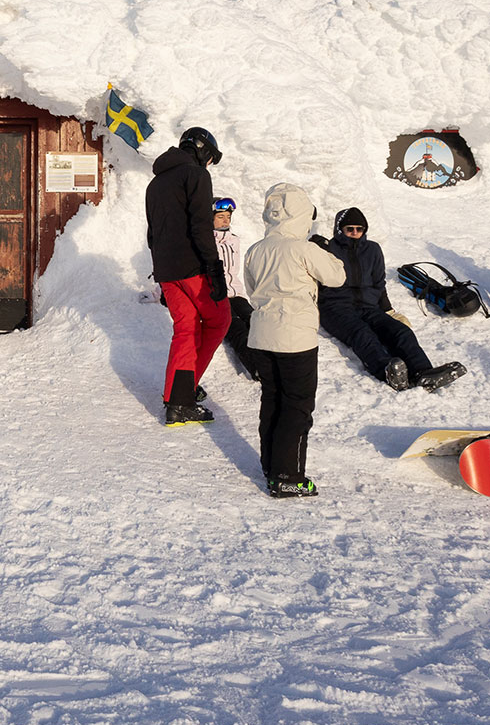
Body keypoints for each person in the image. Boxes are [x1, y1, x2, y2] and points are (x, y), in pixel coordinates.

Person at [244, 184, 348, 497]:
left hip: (262, 334)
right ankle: (288, 474)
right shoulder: (303, 248)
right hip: (295, 337)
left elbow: (250, 289)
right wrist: (325, 251)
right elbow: (336, 276)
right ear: (302, 214)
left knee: (272, 401)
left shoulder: (255, 250)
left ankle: (271, 465)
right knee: (297, 405)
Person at [314, 207, 466, 391]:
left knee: (401, 332)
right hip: (335, 308)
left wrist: (389, 311)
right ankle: (386, 370)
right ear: (340, 230)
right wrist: (314, 246)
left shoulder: (372, 250)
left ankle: (423, 372)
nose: (355, 233)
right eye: (349, 229)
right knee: (362, 334)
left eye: (359, 229)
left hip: (368, 307)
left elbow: (379, 283)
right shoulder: (327, 249)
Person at [146, 128, 230, 425]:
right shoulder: (196, 175)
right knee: (221, 319)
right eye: (210, 158)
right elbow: (200, 227)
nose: (208, 165)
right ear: (203, 151)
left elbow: (152, 234)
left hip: (166, 271)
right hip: (193, 268)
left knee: (187, 328)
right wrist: (214, 269)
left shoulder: (155, 183)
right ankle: (185, 387)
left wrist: (163, 272)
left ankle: (177, 399)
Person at [212, 196, 259, 383]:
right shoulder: (204, 242)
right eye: (220, 216)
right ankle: (258, 369)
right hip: (217, 296)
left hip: (236, 293)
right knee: (237, 328)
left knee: (255, 321)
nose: (225, 220)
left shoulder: (234, 240)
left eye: (228, 217)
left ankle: (275, 361)